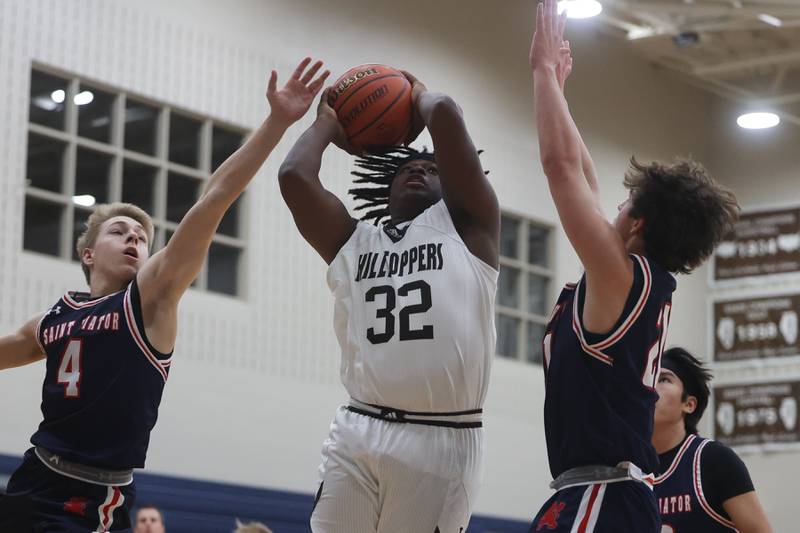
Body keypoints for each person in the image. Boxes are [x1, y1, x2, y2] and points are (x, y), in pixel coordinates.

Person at [0, 57, 328, 532]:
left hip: (91, 493)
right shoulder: (52, 318)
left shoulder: (149, 300)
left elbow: (214, 197)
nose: (134, 238)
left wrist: (277, 121)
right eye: (120, 232)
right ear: (88, 254)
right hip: (34, 475)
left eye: (142, 235)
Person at [529, 1, 739, 531]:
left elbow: (560, 168)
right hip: (596, 492)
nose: (611, 206)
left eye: (624, 204)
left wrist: (539, 72)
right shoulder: (629, 280)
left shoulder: (624, 277)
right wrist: (557, 86)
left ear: (639, 223)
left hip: (605, 493)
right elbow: (580, 171)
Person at [278, 71, 499, 532]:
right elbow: (294, 175)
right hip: (358, 426)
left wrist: (418, 96)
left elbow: (446, 114)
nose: (419, 170)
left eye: (433, 169)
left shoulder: (470, 229)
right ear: (387, 189)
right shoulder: (351, 241)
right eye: (407, 170)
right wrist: (327, 124)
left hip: (442, 435)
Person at [653, 347, 773, 533]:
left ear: (689, 404)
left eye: (663, 379)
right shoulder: (627, 466)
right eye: (648, 378)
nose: (651, 386)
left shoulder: (713, 460)